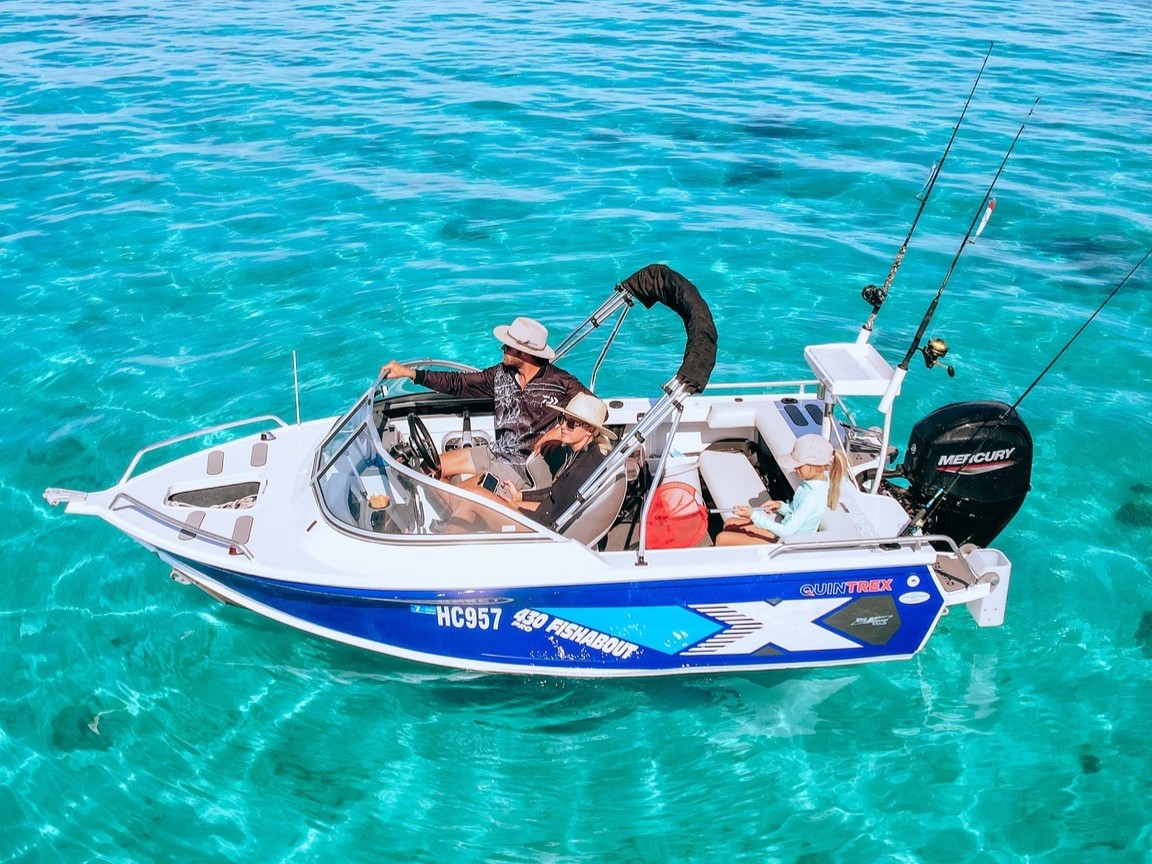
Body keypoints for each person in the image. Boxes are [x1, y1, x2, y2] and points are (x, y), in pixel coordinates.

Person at [379, 316, 585, 489]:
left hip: (520, 469)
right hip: (496, 452)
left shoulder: (560, 383)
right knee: (432, 468)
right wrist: (410, 373)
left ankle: (460, 523)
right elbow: (457, 383)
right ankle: (456, 522)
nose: (502, 347)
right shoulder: (499, 375)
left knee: (464, 496)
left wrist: (557, 433)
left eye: (508, 346)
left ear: (525, 353)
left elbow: (597, 411)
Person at [449, 393, 616, 534]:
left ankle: (446, 550)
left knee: (473, 496)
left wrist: (516, 509)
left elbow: (552, 521)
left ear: (590, 430)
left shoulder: (584, 469)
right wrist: (519, 497)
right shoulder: (580, 455)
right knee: (475, 486)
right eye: (563, 419)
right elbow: (554, 495)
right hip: (539, 516)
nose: (563, 427)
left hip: (539, 531)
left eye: (571, 423)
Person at [715, 434, 848, 546]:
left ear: (819, 467)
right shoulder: (810, 484)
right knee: (729, 523)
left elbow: (787, 531)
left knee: (722, 539)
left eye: (799, 466)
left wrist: (753, 515)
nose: (795, 469)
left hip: (788, 544)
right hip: (784, 536)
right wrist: (779, 506)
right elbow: (794, 511)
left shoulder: (813, 497)